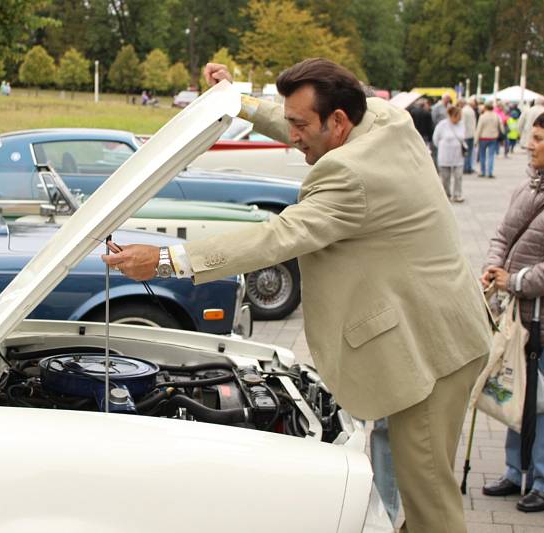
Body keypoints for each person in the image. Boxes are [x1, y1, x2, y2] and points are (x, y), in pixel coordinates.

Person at [104, 58, 491, 533]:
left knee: (432, 502)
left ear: (339, 122)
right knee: (419, 485)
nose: (292, 136)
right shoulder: (386, 118)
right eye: (290, 122)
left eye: (301, 126)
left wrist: (167, 260)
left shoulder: (350, 174)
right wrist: (238, 101)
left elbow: (275, 238)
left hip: (429, 354)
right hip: (445, 324)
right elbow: (299, 115)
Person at [480, 111, 544, 513]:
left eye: (540, 138)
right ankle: (516, 471)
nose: (529, 143)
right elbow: (502, 235)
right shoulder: (526, 189)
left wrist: (516, 280)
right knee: (517, 395)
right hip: (519, 317)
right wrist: (494, 270)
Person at [433, 106, 467, 202]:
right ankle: (446, 195)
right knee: (445, 178)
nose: (459, 118)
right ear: (452, 115)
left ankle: (457, 194)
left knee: (458, 176)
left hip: (458, 155)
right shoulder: (442, 125)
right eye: (458, 116)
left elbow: (463, 136)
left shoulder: (461, 124)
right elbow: (436, 139)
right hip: (445, 156)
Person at [476, 101, 505, 177]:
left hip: (483, 138)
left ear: (485, 107)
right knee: (491, 155)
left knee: (482, 155)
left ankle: (482, 171)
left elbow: (479, 128)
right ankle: (490, 172)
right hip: (493, 137)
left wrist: (476, 140)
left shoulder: (482, 116)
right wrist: (502, 134)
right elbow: (501, 126)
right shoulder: (496, 116)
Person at [460, 98, 478, 174]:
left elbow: (462, 123)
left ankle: (466, 167)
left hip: (466, 134)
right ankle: (468, 167)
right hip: (471, 134)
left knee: (466, 152)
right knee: (470, 152)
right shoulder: (470, 111)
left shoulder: (464, 110)